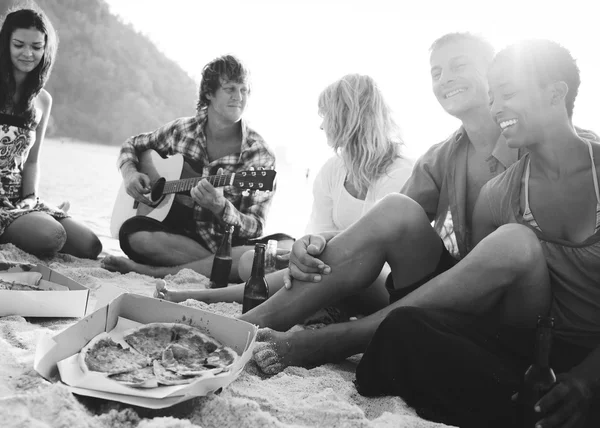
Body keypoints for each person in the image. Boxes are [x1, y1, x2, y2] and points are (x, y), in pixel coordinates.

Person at [231, 33, 596, 375]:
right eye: (436, 72)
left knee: (514, 242)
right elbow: (377, 230)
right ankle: (246, 324)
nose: (445, 78)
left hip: (532, 312)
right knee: (395, 209)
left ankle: (338, 337)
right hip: (471, 296)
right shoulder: (445, 157)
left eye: (459, 65)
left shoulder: (545, 141)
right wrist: (314, 241)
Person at [354, 39, 600, 428]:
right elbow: (484, 306)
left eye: (508, 93)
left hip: (593, 358)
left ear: (555, 93)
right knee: (404, 331)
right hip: (536, 346)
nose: (496, 106)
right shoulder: (497, 194)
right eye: (492, 96)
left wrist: (587, 382)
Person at [155, 73, 413, 313]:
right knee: (250, 262)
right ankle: (308, 301)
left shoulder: (398, 172)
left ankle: (205, 298)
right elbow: (318, 233)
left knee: (315, 267)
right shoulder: (334, 169)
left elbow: (372, 250)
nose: (322, 126)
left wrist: (311, 254)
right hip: (331, 266)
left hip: (378, 279)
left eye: (327, 115)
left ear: (348, 116)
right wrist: (301, 254)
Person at [101, 54, 277, 281]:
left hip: (221, 243)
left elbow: (256, 227)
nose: (239, 97)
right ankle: (218, 269)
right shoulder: (181, 130)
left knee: (266, 249)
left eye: (244, 90)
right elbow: (132, 145)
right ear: (209, 93)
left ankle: (155, 271)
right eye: (230, 89)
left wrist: (221, 207)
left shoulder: (259, 153)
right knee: (132, 233)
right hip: (176, 237)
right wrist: (130, 173)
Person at [0, 5, 102, 259]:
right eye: (19, 44)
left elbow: (32, 161)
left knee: (90, 246)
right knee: (52, 236)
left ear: (46, 49)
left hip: (19, 197)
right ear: (6, 44)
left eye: (36, 47)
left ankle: (32, 218)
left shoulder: (42, 100)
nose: (27, 53)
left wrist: (30, 197)